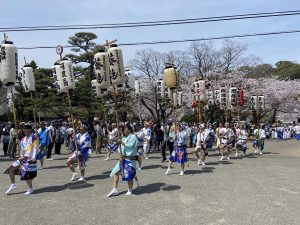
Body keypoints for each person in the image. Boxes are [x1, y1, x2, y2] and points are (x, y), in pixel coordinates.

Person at [5, 123, 39, 195]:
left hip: (30, 159)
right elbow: (23, 149)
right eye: (24, 131)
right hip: (23, 158)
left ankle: (30, 188)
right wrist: (19, 143)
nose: (25, 132)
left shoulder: (34, 137)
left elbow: (34, 149)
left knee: (26, 175)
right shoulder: (23, 139)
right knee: (10, 169)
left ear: (30, 130)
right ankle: (13, 184)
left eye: (27, 131)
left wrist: (26, 157)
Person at [107, 125, 138, 197]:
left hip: (130, 159)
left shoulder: (133, 137)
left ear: (129, 130)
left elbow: (130, 146)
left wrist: (121, 142)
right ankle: (115, 189)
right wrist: (118, 143)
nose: (124, 130)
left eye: (125, 129)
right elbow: (120, 148)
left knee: (129, 175)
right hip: (123, 158)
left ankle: (130, 190)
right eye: (123, 129)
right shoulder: (123, 137)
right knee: (115, 172)